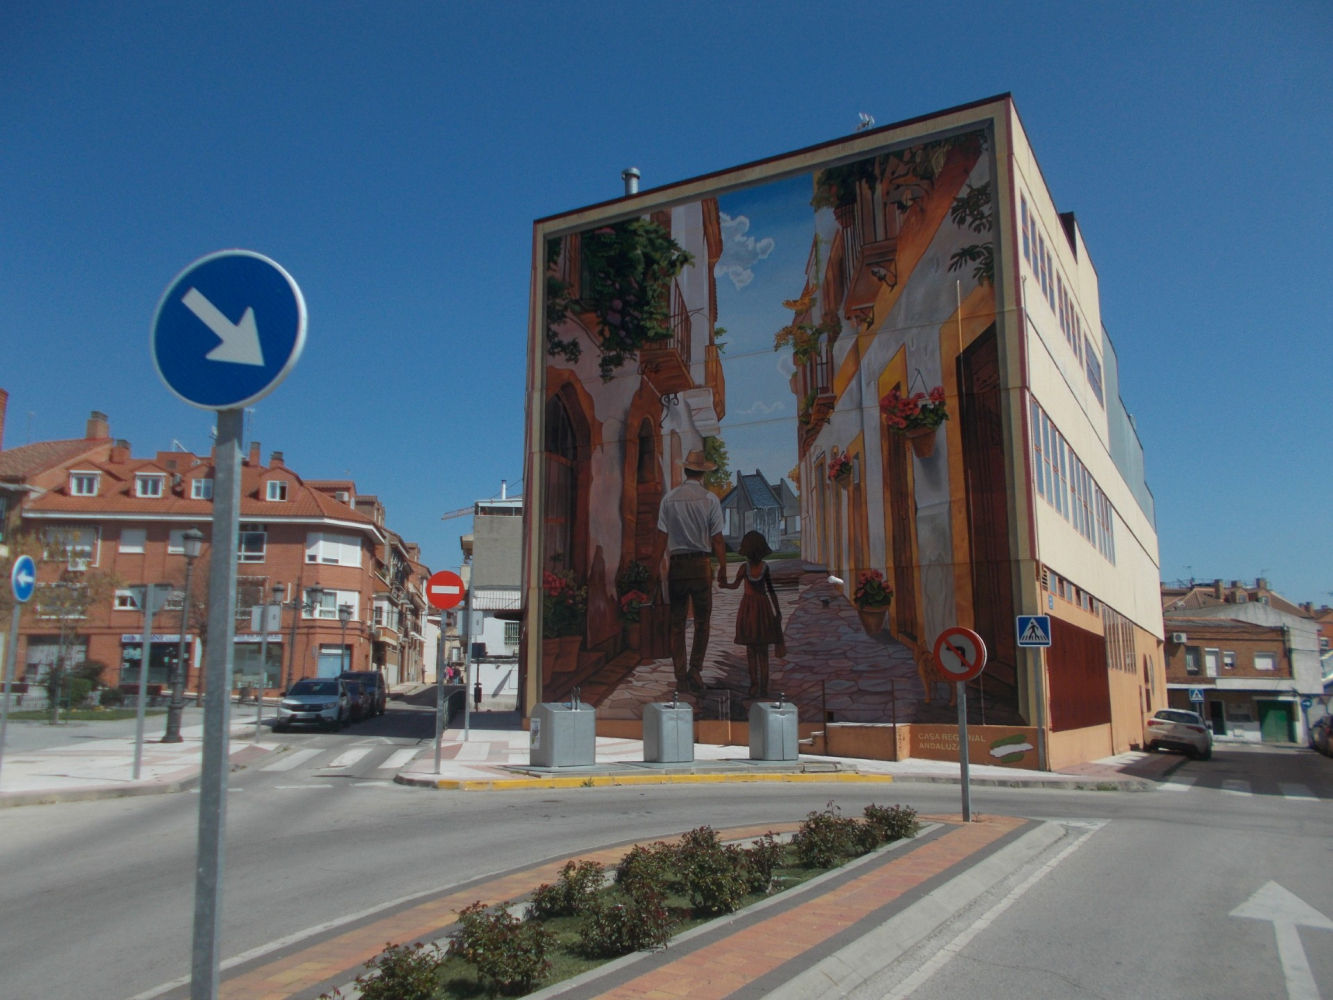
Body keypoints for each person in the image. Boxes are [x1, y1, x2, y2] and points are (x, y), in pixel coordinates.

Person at [651, 449, 727, 695]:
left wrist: (654, 570)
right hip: (701, 565)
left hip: (678, 566)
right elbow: (717, 539)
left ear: (685, 471)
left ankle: (680, 675)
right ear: (703, 473)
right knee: (703, 622)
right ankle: (695, 668)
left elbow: (661, 538)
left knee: (677, 623)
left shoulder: (669, 500)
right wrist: (723, 567)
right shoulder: (710, 500)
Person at [721, 530, 783, 696]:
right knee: (763, 651)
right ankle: (763, 686)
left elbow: (734, 585)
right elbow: (771, 591)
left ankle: (754, 684)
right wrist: (778, 611)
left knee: (751, 651)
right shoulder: (765, 567)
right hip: (763, 610)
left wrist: (724, 585)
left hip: (748, 610)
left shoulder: (744, 568)